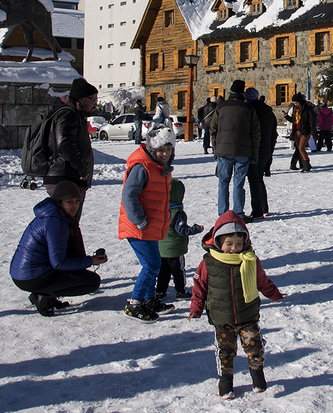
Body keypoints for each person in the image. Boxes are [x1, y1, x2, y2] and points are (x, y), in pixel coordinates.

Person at [189, 211, 286, 399]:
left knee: (255, 348)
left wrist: (274, 294)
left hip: (247, 315)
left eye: (239, 244)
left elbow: (261, 280)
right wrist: (196, 308)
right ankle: (226, 383)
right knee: (225, 352)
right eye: (229, 244)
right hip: (222, 318)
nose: (234, 248)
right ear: (218, 241)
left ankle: (258, 377)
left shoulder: (249, 259)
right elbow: (199, 287)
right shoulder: (209, 262)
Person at [10, 181, 106, 317]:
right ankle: (43, 296)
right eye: (69, 201)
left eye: (77, 201)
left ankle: (46, 294)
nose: (75, 205)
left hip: (22, 273)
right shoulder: (55, 223)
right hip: (31, 277)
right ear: (58, 202)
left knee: (77, 271)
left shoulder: (50, 216)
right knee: (92, 281)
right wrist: (91, 261)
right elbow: (59, 263)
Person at [120, 126, 177, 322]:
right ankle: (135, 303)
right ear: (152, 148)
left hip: (149, 226)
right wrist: (140, 220)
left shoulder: (159, 167)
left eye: (168, 150)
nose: (165, 154)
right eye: (161, 150)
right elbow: (129, 196)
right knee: (151, 264)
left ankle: (149, 299)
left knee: (154, 262)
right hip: (138, 226)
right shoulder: (142, 167)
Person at [43, 78, 98, 258]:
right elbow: (64, 143)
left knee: (68, 226)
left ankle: (69, 264)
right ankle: (65, 265)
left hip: (67, 177)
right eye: (93, 99)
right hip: (65, 178)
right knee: (66, 227)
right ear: (81, 99)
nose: (95, 103)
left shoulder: (74, 114)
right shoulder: (69, 114)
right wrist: (82, 168)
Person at [209, 80, 260, 217]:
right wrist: (255, 151)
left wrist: (215, 147)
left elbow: (213, 128)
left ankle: (223, 214)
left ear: (230, 91)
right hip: (243, 150)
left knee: (223, 182)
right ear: (243, 93)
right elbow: (256, 132)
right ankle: (238, 213)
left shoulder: (221, 107)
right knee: (238, 182)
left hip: (223, 149)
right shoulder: (249, 108)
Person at [156, 179, 204, 302]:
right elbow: (182, 230)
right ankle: (181, 291)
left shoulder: (160, 210)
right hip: (175, 250)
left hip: (161, 249)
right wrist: (196, 229)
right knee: (178, 271)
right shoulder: (177, 212)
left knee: (163, 271)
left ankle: (160, 291)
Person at [246, 88, 277, 221]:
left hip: (253, 149)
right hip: (265, 149)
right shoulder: (269, 113)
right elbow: (274, 134)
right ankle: (264, 208)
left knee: (253, 179)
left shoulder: (249, 111)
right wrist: (270, 150)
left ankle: (257, 209)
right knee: (259, 179)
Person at [288, 93, 316, 172]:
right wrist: (286, 116)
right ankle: (304, 164)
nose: (295, 104)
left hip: (305, 131)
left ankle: (307, 165)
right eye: (294, 103)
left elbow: (311, 120)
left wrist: (313, 131)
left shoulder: (307, 108)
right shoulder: (295, 109)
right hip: (296, 131)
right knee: (299, 149)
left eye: (296, 103)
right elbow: (293, 120)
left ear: (300, 102)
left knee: (301, 148)